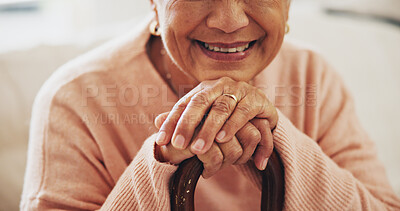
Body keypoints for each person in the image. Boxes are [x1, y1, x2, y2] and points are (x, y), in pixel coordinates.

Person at [20, 0, 400, 210]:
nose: (230, 20)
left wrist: (280, 137)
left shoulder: (312, 76)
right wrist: (165, 161)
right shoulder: (73, 99)